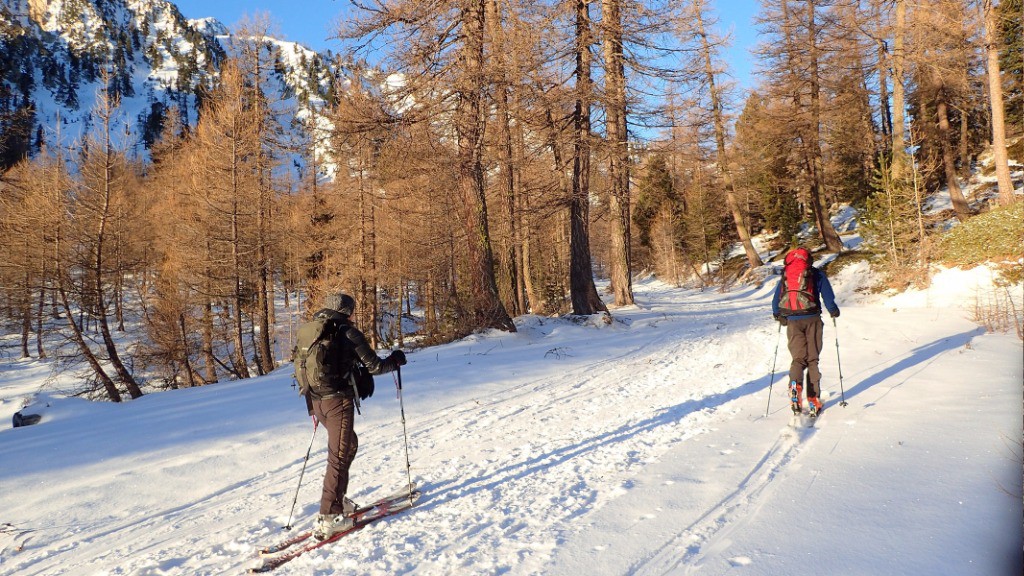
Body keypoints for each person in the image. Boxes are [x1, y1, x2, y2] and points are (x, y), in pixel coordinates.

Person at [303, 293, 407, 540]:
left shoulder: (312, 330)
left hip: (317, 402)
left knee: (349, 445)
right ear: (347, 311)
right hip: (338, 402)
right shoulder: (347, 333)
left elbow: (302, 368)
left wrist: (312, 408)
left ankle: (338, 502)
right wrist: (396, 359)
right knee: (338, 457)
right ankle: (329, 517)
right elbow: (375, 367)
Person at [771, 247, 840, 417]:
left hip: (793, 321)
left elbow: (776, 298)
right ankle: (813, 399)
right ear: (809, 260)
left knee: (798, 359)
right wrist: (833, 310)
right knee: (812, 360)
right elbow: (828, 296)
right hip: (813, 319)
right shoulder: (816, 274)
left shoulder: (787, 274)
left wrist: (778, 314)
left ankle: (795, 389)